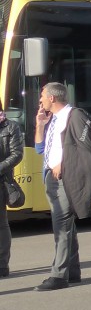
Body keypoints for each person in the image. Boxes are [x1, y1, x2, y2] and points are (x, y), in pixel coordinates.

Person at [33, 82, 91, 290]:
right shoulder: (52, 119)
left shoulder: (75, 116)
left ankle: (58, 276)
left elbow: (86, 148)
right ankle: (72, 271)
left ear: (52, 98)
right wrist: (39, 125)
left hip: (65, 179)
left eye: (42, 96)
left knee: (62, 225)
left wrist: (63, 165)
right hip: (51, 178)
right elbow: (40, 149)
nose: (40, 100)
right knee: (66, 225)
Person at [0, 108, 23, 277]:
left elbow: (17, 154)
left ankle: (2, 264)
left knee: (1, 224)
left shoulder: (10, 127)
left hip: (1, 180)